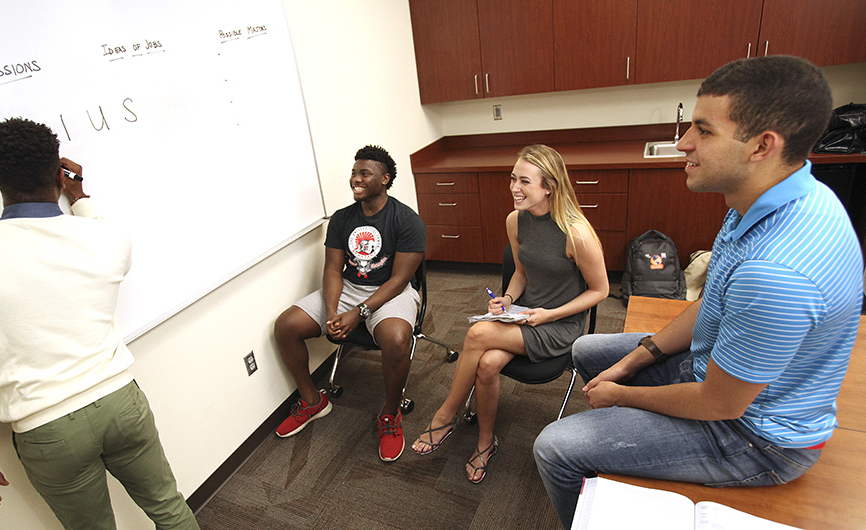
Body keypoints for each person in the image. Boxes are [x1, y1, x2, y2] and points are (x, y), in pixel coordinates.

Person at [534, 55, 864, 530]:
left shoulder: (776, 272)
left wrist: (621, 396)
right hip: (718, 372)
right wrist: (633, 362)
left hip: (755, 436)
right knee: (589, 350)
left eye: (704, 131)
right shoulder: (761, 198)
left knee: (554, 448)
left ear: (762, 146)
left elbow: (720, 405)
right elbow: (714, 303)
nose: (683, 142)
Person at [0, 117, 199, 530]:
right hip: (121, 402)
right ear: (59, 175)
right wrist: (80, 197)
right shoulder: (107, 240)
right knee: (168, 508)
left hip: (47, 428)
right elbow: (99, 232)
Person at [411, 144, 609, 483]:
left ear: (549, 187)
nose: (514, 188)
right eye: (513, 178)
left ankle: (445, 416)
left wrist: (550, 315)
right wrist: (507, 299)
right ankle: (485, 442)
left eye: (524, 181)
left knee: (477, 334)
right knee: (488, 364)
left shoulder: (576, 232)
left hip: (559, 324)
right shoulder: (515, 220)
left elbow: (600, 291)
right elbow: (521, 272)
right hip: (524, 314)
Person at [273, 145, 425, 462]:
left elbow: (400, 279)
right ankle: (312, 401)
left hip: (391, 292)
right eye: (354, 173)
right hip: (349, 288)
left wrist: (360, 311)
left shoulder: (407, 220)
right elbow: (332, 269)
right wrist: (332, 311)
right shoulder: (342, 219)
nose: (356, 179)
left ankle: (390, 414)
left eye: (364, 173)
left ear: (385, 179)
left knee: (397, 340)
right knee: (286, 326)